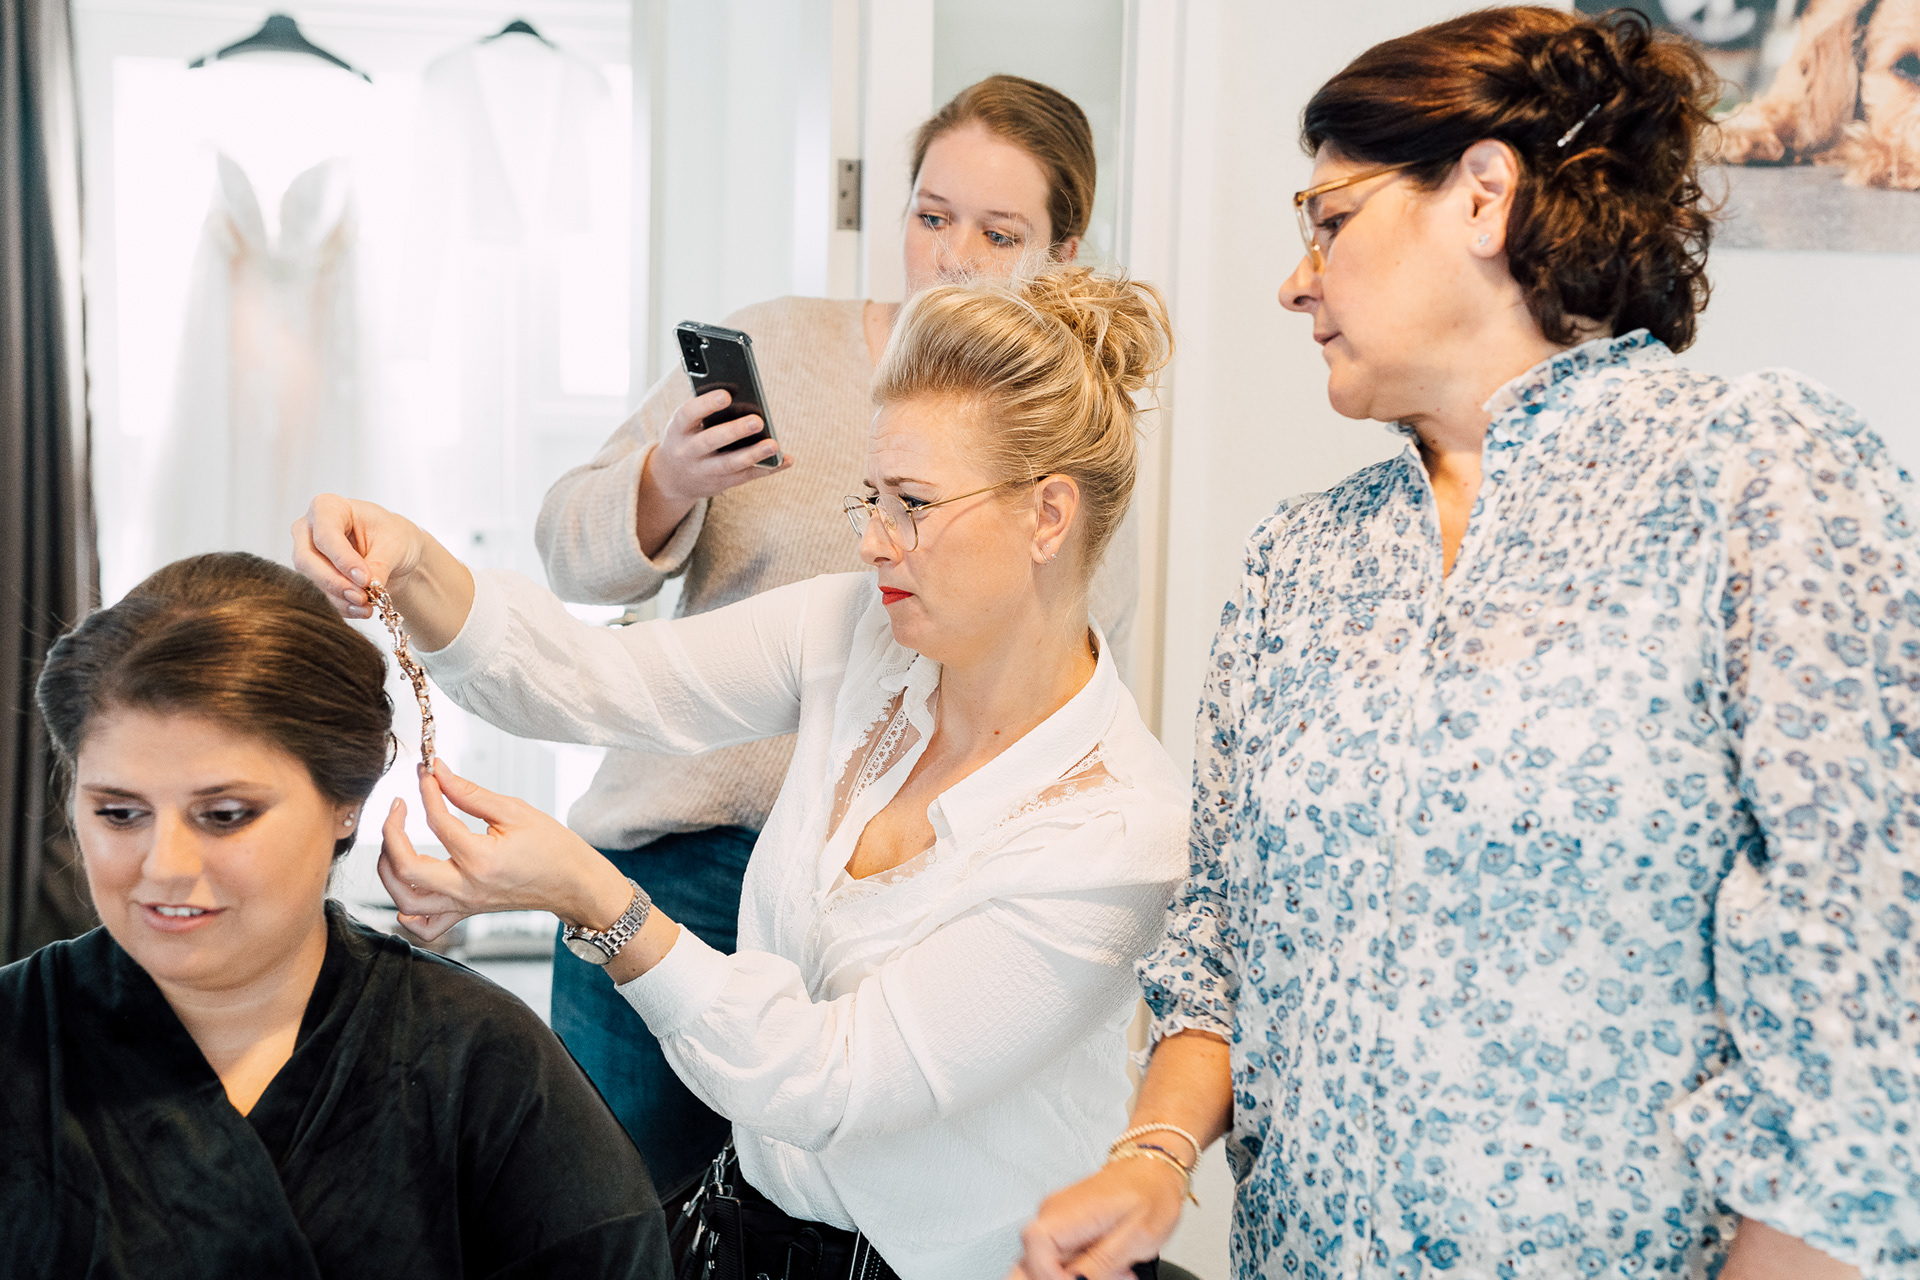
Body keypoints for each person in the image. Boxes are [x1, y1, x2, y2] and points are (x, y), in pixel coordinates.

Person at [1012, 9, 1919, 1280]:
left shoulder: (1758, 478)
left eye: (1329, 219)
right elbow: (1216, 938)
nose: (1295, 279)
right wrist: (1152, 1158)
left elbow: (1867, 993)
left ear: (1485, 196)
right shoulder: (1298, 561)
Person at [294, 266, 1185, 1280]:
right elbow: (597, 680)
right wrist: (414, 562)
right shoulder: (857, 633)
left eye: (912, 504)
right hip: (747, 1237)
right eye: (873, 497)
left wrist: (590, 894)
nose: (871, 539)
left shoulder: (1120, 836)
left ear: (1048, 516)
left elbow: (829, 1079)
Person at [532, 73, 1141, 1195]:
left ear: (1063, 253)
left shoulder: (1060, 452)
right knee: (607, 1220)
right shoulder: (780, 345)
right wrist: (666, 481)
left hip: (873, 894)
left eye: (1000, 233)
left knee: (808, 1211)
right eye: (931, 215)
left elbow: (1042, 689)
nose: (954, 257)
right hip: (675, 857)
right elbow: (568, 556)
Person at [0, 553, 672, 1280]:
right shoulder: (16, 1038)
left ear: (346, 801)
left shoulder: (483, 1063)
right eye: (119, 813)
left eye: (225, 815)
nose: (163, 866)